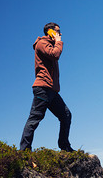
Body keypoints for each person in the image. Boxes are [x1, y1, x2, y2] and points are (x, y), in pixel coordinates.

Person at [20, 22, 74, 152]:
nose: (60, 34)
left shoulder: (50, 44)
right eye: (57, 31)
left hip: (52, 90)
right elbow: (55, 54)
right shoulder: (42, 43)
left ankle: (65, 146)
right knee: (34, 118)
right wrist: (58, 42)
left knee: (66, 115)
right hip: (43, 88)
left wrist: (56, 42)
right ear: (50, 32)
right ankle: (24, 151)